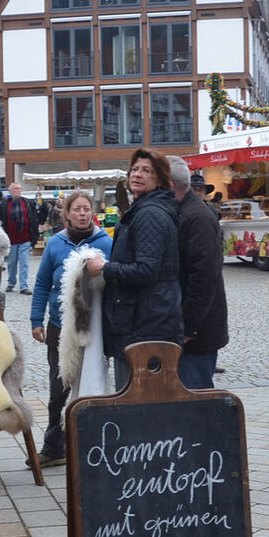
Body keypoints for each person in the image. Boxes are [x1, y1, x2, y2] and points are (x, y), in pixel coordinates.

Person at [84, 148, 182, 391]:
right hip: (140, 320)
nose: (137, 174)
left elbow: (145, 270)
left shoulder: (149, 214)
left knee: (135, 399)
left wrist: (105, 268)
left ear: (159, 179)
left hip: (145, 325)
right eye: (135, 169)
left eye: (146, 171)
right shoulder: (142, 210)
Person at [29, 190, 112, 467]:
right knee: (58, 387)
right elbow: (41, 284)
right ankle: (54, 448)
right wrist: (35, 320)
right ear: (67, 214)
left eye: (86, 209)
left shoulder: (105, 243)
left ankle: (93, 444)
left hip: (94, 329)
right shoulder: (55, 244)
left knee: (92, 384)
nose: (82, 214)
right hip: (59, 327)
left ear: (92, 213)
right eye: (76, 209)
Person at [169, 157, 229, 389]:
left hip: (196, 334)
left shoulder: (198, 216)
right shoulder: (184, 211)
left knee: (195, 399)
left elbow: (203, 276)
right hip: (191, 330)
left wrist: (189, 326)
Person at [0, 182, 38, 295]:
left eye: (20, 189)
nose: (18, 191)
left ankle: (23, 286)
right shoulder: (4, 205)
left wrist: (35, 235)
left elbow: (34, 219)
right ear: (10, 191)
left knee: (24, 263)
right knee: (11, 263)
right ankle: (11, 283)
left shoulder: (27, 203)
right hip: (11, 240)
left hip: (25, 238)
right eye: (15, 189)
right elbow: (1, 222)